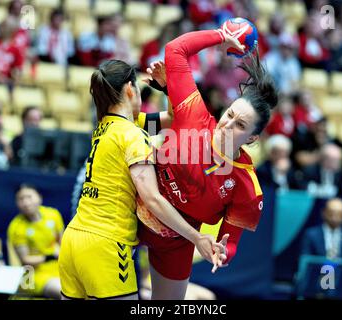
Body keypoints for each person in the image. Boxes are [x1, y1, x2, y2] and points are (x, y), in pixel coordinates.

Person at [58, 59, 219, 300]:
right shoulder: (133, 134)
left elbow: (175, 119)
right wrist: (196, 237)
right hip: (106, 244)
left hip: (73, 241)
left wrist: (168, 88)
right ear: (131, 90)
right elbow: (152, 199)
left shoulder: (107, 126)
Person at [136, 27, 278, 299]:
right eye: (230, 114)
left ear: (252, 138)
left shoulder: (246, 187)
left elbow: (230, 242)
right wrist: (221, 36)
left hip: (176, 240)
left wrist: (222, 253)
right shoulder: (193, 113)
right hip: (131, 210)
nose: (228, 125)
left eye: (240, 125)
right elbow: (176, 49)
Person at [7, 184, 64, 299]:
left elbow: (63, 244)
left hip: (59, 268)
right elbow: (25, 260)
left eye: (29, 197)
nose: (26, 202)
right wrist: (50, 256)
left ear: (39, 198)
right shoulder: (17, 227)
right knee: (63, 292)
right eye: (21, 199)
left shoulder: (53, 215)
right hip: (32, 275)